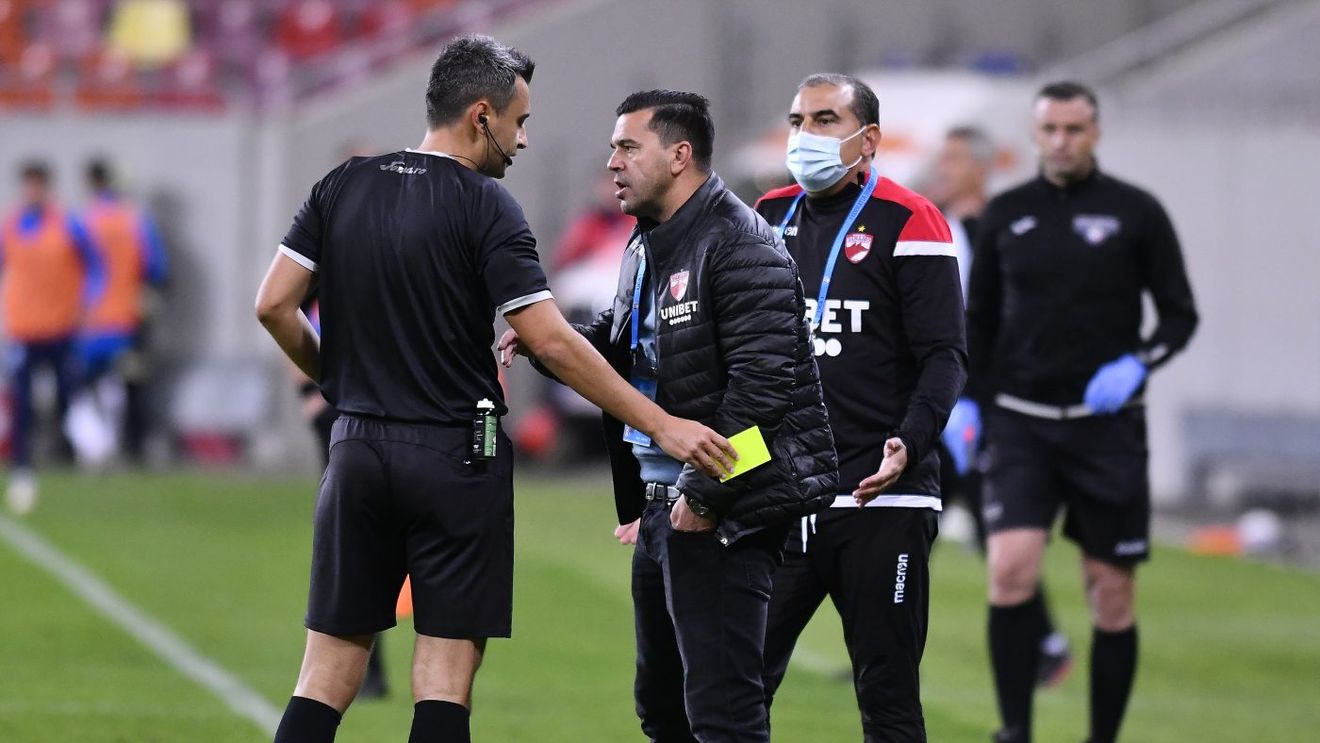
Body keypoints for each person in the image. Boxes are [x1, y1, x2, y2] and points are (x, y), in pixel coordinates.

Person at [254, 38, 734, 743]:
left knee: (324, 676)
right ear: (481, 115)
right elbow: (547, 339)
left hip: (354, 446)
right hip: (455, 454)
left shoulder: (340, 185)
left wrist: (342, 380)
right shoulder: (486, 205)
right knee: (443, 681)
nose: (524, 139)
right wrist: (659, 423)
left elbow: (273, 304)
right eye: (518, 120)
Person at [501, 89, 838, 743]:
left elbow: (762, 393)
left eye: (628, 147)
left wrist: (704, 496)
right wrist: (547, 341)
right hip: (666, 508)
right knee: (663, 709)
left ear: (680, 155)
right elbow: (614, 346)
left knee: (723, 714)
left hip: (724, 509)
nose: (613, 164)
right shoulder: (648, 242)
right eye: (612, 149)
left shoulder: (741, 245)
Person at [966, 81, 1198, 743]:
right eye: (1052, 130)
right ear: (1035, 135)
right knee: (1010, 569)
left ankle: (1103, 736)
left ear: (1095, 133)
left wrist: (1140, 364)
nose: (1063, 141)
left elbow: (1180, 315)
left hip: (1107, 428)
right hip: (1020, 419)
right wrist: (969, 405)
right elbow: (977, 322)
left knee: (1111, 589)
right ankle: (1015, 727)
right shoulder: (1007, 214)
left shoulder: (1137, 212)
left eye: (1076, 129)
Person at [753, 73, 966, 741]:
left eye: (823, 120)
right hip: (782, 497)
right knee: (734, 683)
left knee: (888, 695)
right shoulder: (766, 214)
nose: (804, 136)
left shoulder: (911, 219)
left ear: (866, 138)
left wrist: (910, 440)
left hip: (882, 498)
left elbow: (944, 356)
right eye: (797, 121)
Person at [926, 126, 1072, 687]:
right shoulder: (933, 225)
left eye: (956, 158)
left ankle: (1047, 646)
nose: (944, 167)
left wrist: (981, 402)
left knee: (997, 532)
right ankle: (883, 641)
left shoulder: (1000, 233)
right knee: (911, 522)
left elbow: (1007, 326)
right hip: (941, 406)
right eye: (943, 156)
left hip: (981, 409)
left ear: (982, 169)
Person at [1, 161, 104, 515]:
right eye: (27, 185)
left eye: (38, 185)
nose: (32, 192)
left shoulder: (69, 225)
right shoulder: (11, 227)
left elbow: (96, 266)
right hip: (24, 331)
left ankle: (80, 455)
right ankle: (23, 469)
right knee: (22, 403)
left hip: (61, 328)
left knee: (68, 397)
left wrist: (87, 303)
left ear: (46, 187)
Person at [69, 157, 168, 467]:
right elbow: (157, 269)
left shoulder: (81, 222)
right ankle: (131, 447)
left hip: (89, 320)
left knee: (81, 387)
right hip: (128, 319)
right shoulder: (136, 220)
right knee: (129, 383)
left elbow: (68, 269)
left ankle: (86, 448)